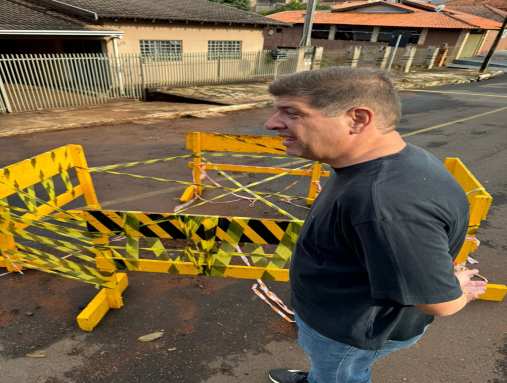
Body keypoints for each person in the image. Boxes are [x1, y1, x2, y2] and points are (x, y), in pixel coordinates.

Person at [263, 67, 487, 383]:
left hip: (348, 333)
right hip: (336, 315)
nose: (271, 123)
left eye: (291, 113)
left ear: (357, 119)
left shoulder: (387, 203)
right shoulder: (380, 163)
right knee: (331, 368)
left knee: (340, 374)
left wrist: (458, 291)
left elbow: (440, 302)